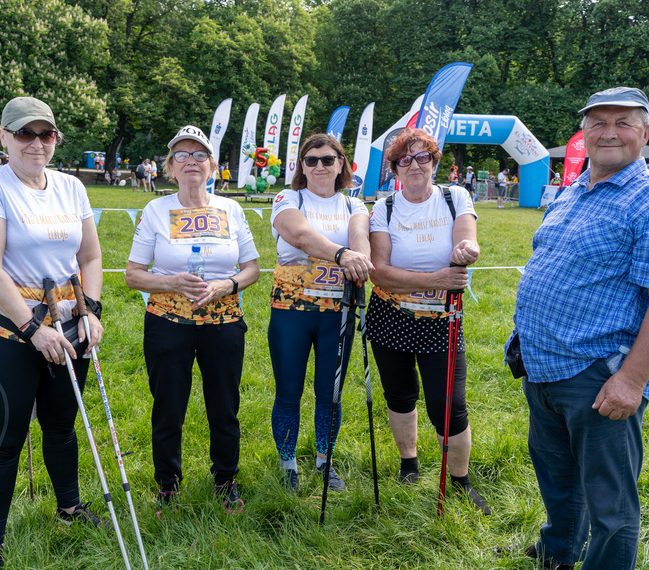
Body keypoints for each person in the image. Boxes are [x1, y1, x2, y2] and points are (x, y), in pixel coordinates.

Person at [505, 87, 649, 570]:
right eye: (598, 122)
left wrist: (631, 380)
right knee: (557, 479)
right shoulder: (573, 192)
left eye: (623, 122)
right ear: (585, 131)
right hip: (544, 366)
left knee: (610, 504)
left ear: (646, 132)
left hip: (600, 376)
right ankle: (559, 553)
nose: (608, 132)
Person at [0, 96, 105, 569]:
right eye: (25, 133)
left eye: (46, 134)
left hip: (68, 322)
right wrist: (31, 328)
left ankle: (69, 507)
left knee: (62, 426)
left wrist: (92, 310)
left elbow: (90, 257)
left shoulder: (71, 186)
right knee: (5, 439)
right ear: (4, 137)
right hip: (8, 329)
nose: (37, 143)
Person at [125, 125, 260, 516]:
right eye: (182, 156)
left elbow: (252, 268)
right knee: (169, 406)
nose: (191, 162)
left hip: (224, 321)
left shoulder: (231, 209)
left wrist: (226, 285)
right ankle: (168, 486)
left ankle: (226, 481)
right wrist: (170, 282)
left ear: (213, 165)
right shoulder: (156, 209)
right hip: (168, 322)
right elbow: (133, 274)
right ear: (170, 166)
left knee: (224, 404)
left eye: (199, 155)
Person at [366, 127, 489, 514]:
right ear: (395, 169)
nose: (414, 165)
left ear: (435, 163)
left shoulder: (456, 197)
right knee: (400, 395)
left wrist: (468, 250)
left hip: (442, 319)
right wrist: (435, 279)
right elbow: (380, 272)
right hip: (391, 316)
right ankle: (409, 463)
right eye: (405, 159)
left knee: (448, 405)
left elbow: (466, 240)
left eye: (423, 158)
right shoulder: (383, 208)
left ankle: (460, 480)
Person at [269, 133, 374, 492]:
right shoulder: (289, 197)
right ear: (301, 166)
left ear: (341, 164)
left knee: (329, 393)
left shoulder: (353, 206)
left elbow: (361, 238)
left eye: (327, 159)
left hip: (337, 312)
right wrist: (344, 256)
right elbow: (298, 236)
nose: (319, 166)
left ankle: (324, 461)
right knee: (289, 390)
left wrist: (358, 256)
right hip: (292, 310)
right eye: (310, 160)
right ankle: (288, 465)